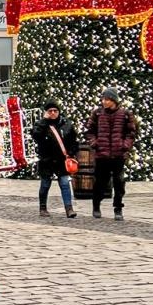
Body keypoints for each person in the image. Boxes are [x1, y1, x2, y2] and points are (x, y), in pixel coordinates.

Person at [85, 88, 138, 221]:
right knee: (99, 182)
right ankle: (96, 205)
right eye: (103, 99)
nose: (104, 102)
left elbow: (131, 133)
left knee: (119, 182)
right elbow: (89, 130)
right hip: (101, 154)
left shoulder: (125, 114)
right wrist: (94, 143)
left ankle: (118, 208)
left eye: (107, 99)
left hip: (118, 155)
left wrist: (125, 145)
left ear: (114, 100)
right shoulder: (97, 114)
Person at [30, 101, 79, 218]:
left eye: (55, 111)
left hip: (62, 160)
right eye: (50, 111)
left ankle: (69, 208)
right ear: (46, 112)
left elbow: (74, 141)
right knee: (45, 184)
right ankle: (43, 208)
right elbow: (36, 136)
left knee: (65, 184)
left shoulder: (66, 124)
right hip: (46, 159)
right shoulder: (40, 124)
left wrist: (71, 153)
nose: (53, 113)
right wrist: (44, 122)